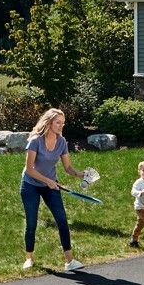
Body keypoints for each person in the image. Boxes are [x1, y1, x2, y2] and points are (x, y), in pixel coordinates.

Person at [20, 108, 90, 271]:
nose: (61, 126)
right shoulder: (35, 141)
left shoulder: (61, 142)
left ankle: (69, 262)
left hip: (51, 185)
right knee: (31, 222)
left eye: (62, 123)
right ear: (49, 122)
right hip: (30, 185)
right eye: (58, 122)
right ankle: (29, 258)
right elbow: (29, 169)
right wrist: (47, 181)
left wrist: (81, 174)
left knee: (62, 220)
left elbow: (68, 168)